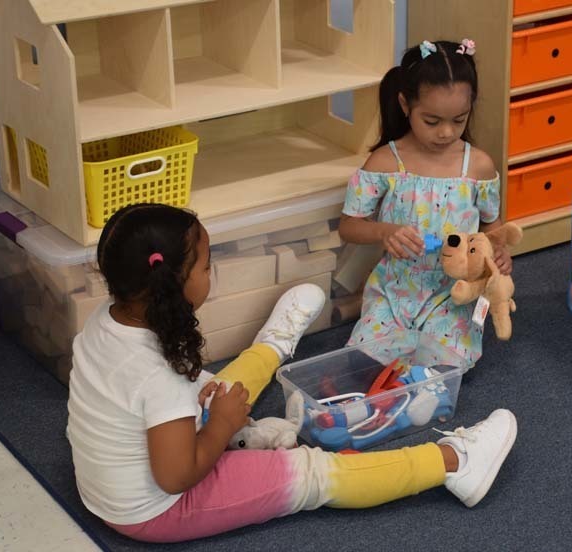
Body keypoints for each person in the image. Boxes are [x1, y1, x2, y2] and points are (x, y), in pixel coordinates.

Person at [66, 203, 518, 543]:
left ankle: (273, 345)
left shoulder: (107, 322)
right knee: (313, 473)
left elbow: (151, 397)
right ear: (171, 284)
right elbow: (175, 477)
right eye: (206, 266)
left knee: (218, 389)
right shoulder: (156, 374)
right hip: (158, 508)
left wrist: (216, 409)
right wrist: (222, 424)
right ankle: (455, 463)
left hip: (108, 491)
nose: (211, 273)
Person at [338, 39, 512, 367]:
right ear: (405, 105)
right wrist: (382, 232)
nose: (446, 132)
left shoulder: (478, 166)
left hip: (453, 292)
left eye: (459, 120)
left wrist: (499, 252)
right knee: (363, 361)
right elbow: (348, 227)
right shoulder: (384, 162)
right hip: (395, 290)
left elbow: (492, 225)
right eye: (432, 121)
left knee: (448, 364)